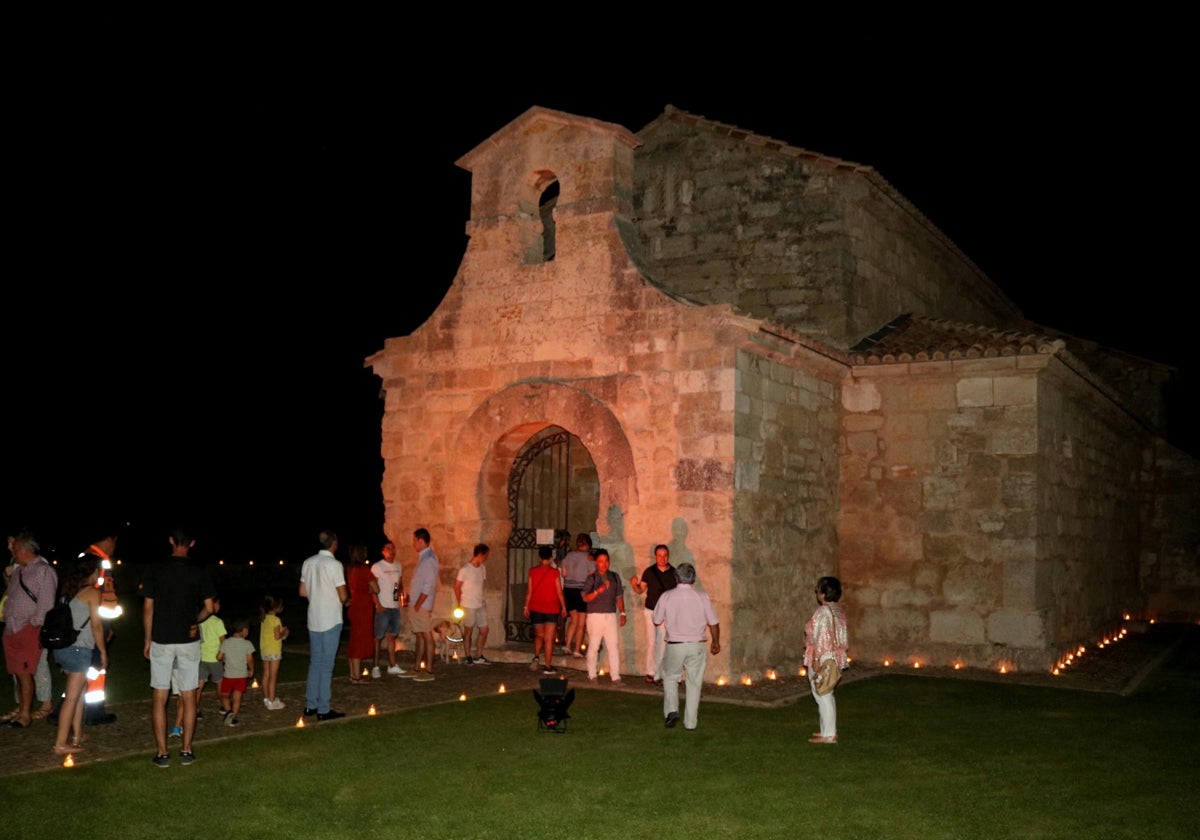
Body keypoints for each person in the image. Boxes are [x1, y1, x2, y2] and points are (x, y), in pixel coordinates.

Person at [142, 527, 216, 768]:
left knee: (160, 695)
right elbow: (210, 607)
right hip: (188, 640)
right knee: (189, 694)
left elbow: (148, 608)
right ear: (192, 543)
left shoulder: (155, 568)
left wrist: (147, 639)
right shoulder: (199, 570)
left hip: (162, 639)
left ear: (171, 540)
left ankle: (162, 753)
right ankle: (186, 750)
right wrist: (195, 620)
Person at [653, 562, 720, 730]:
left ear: (676, 578)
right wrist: (716, 642)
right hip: (696, 644)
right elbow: (713, 622)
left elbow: (656, 619)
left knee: (670, 677)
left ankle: (672, 711)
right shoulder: (701, 596)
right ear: (693, 579)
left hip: (675, 644)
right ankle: (690, 723)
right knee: (694, 683)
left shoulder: (667, 596)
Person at [50, 558, 105, 754]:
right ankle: (60, 744)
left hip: (62, 648)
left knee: (79, 693)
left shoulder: (68, 592)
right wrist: (103, 652)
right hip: (78, 650)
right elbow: (96, 626)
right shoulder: (92, 593)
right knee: (72, 697)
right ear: (93, 572)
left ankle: (77, 734)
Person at [3, 532, 57, 728]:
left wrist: (33, 624)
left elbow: (46, 603)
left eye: (15, 548)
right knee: (17, 672)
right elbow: (13, 595)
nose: (12, 552)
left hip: (28, 629)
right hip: (12, 629)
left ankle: (26, 714)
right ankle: (22, 709)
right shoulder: (19, 571)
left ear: (25, 550)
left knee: (27, 672)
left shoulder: (44, 571)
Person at [299, 529, 348, 720]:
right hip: (330, 619)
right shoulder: (334, 565)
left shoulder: (308, 562)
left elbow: (302, 592)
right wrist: (345, 599)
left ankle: (310, 704)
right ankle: (323, 709)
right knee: (327, 665)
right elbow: (342, 595)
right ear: (334, 543)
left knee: (315, 662)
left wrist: (317, 594)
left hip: (314, 619)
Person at [804, 575, 849, 745]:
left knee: (823, 694)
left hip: (823, 656)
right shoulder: (837, 610)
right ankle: (826, 730)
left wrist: (816, 658)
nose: (817, 592)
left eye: (818, 589)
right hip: (832, 655)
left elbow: (821, 636)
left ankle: (829, 734)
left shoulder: (823, 612)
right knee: (824, 694)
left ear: (824, 593)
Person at [630, 543, 677, 685]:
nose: (662, 558)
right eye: (660, 555)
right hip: (650, 610)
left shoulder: (674, 572)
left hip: (666, 613)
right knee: (651, 642)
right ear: (655, 557)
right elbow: (641, 590)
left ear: (668, 556)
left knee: (663, 643)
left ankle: (659, 673)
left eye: (665, 555)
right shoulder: (649, 572)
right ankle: (650, 672)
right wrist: (634, 584)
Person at [581, 549, 625, 683]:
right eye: (601, 561)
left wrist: (622, 613)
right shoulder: (592, 578)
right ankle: (592, 674)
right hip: (595, 616)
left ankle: (615, 676)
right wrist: (597, 591)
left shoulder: (615, 577)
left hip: (610, 615)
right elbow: (585, 598)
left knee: (613, 646)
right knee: (594, 645)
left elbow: (619, 597)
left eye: (606, 561)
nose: (604, 564)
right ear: (596, 563)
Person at [523, 546, 566, 675]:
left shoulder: (532, 571)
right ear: (551, 558)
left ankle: (536, 656)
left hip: (536, 607)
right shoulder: (554, 573)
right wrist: (564, 607)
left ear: (539, 557)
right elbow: (559, 592)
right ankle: (547, 666)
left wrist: (526, 606)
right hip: (551, 608)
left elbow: (529, 591)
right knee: (549, 638)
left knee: (539, 635)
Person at [369, 540, 404, 678]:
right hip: (383, 607)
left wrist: (400, 594)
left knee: (392, 637)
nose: (391, 551)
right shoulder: (377, 567)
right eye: (388, 548)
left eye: (393, 548)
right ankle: (376, 667)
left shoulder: (398, 566)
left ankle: (392, 665)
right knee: (378, 637)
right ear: (383, 551)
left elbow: (399, 585)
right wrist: (378, 604)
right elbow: (372, 588)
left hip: (394, 607)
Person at [408, 528, 438, 682]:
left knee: (426, 634)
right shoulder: (423, 558)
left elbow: (429, 584)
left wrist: (419, 603)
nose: (413, 543)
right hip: (416, 603)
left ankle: (429, 670)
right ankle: (416, 667)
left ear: (421, 540)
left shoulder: (429, 559)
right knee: (419, 634)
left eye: (414, 540)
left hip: (422, 604)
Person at [559, 533, 594, 659]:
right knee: (581, 623)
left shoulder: (569, 555)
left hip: (569, 590)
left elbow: (563, 573)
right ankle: (577, 650)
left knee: (573, 620)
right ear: (589, 544)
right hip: (582, 591)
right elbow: (592, 573)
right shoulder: (589, 557)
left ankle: (567, 646)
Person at [455, 543, 491, 664]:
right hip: (468, 604)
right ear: (479, 555)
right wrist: (459, 603)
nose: (486, 558)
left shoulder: (482, 568)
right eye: (485, 556)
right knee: (468, 631)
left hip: (480, 603)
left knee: (484, 630)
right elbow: (457, 587)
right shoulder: (465, 570)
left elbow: (481, 584)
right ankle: (468, 655)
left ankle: (479, 655)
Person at [345, 544, 375, 684]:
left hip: (355, 606)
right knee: (359, 641)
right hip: (363, 608)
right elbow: (376, 588)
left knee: (354, 638)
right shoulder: (364, 569)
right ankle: (357, 676)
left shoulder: (351, 569)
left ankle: (353, 674)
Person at [217, 618, 255, 727]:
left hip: (229, 675)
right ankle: (233, 717)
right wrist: (251, 669)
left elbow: (219, 657)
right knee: (237, 697)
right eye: (247, 630)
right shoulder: (247, 644)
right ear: (243, 630)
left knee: (224, 695)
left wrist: (223, 659)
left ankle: (229, 711)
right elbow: (250, 659)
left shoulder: (226, 642)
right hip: (241, 675)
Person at [259, 595, 287, 709]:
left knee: (266, 674)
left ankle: (267, 698)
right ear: (276, 607)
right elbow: (277, 636)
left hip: (265, 649)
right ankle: (272, 700)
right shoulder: (276, 620)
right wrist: (284, 632)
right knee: (273, 676)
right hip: (274, 650)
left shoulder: (264, 618)